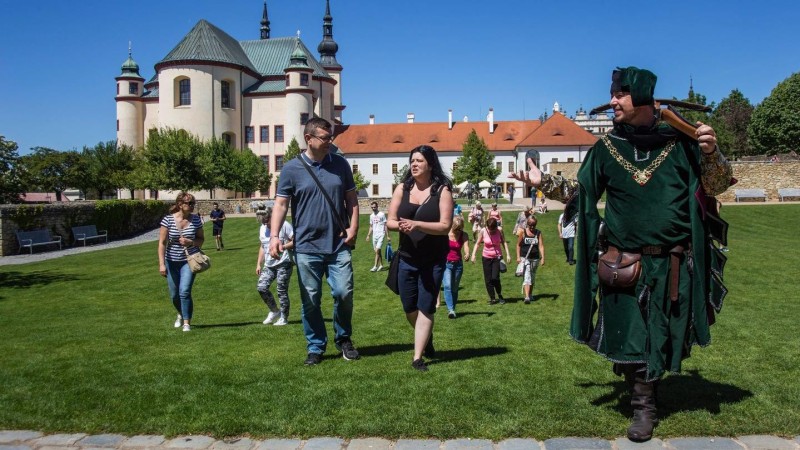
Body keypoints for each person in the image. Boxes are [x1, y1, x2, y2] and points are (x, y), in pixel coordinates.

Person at [510, 66, 732, 442]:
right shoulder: (606, 149)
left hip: (671, 263)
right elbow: (582, 193)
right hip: (623, 262)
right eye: (613, 94)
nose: (612, 101)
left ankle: (645, 391)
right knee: (631, 335)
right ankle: (643, 406)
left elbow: (717, 184)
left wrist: (712, 152)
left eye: (620, 95)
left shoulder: (682, 144)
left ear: (643, 98)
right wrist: (543, 182)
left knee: (659, 336)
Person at [270, 117, 360, 366]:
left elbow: (352, 200)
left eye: (330, 137)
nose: (330, 142)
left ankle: (343, 339)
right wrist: (275, 236)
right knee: (310, 300)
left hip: (338, 243)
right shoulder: (291, 169)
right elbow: (280, 204)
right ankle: (315, 346)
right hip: (307, 247)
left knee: (344, 293)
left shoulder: (340, 164)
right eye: (325, 138)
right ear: (308, 139)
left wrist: (354, 226)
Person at [387, 145, 454, 371]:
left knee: (426, 306)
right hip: (407, 258)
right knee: (409, 307)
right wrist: (402, 226)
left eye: (419, 161)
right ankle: (426, 337)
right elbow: (390, 221)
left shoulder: (442, 191)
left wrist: (417, 224)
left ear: (430, 164)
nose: (414, 164)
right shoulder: (402, 188)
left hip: (433, 259)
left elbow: (445, 226)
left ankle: (418, 357)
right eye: (412, 160)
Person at [157, 192, 205, 332]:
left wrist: (190, 242)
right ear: (179, 204)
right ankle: (181, 313)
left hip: (189, 261)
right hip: (171, 261)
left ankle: (186, 323)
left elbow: (201, 240)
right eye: (188, 203)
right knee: (174, 295)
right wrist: (161, 264)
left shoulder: (195, 220)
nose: (191, 206)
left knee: (184, 291)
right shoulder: (168, 220)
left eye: (192, 204)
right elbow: (162, 243)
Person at [256, 207, 294, 326]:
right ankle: (274, 311)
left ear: (272, 216)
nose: (265, 224)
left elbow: (296, 241)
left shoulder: (284, 225)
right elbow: (263, 246)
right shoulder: (262, 229)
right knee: (261, 287)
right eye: (263, 222)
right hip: (269, 264)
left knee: (281, 290)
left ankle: (284, 317)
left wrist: (282, 247)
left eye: (266, 221)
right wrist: (258, 264)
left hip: (284, 262)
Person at [470, 217, 510, 305]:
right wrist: (473, 255)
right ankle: (492, 298)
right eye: (490, 229)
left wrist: (508, 254)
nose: (491, 231)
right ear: (487, 226)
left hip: (497, 257)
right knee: (488, 279)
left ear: (496, 227)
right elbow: (477, 243)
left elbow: (504, 242)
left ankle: (499, 294)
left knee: (495, 278)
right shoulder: (483, 231)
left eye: (493, 229)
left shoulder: (499, 230)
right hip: (486, 257)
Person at [442, 215, 470, 319]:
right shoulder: (445, 234)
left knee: (454, 287)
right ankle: (451, 310)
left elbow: (466, 247)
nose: (459, 230)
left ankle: (452, 308)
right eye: (457, 228)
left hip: (458, 264)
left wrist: (467, 253)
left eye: (460, 228)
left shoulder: (464, 235)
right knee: (448, 286)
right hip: (446, 263)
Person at [516, 216, 545, 304]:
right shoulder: (523, 232)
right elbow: (518, 245)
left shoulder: (538, 233)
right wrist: (518, 257)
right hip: (525, 258)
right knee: (527, 276)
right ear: (527, 224)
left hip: (535, 258)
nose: (532, 227)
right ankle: (527, 297)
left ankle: (530, 294)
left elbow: (541, 246)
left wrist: (543, 257)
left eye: (534, 225)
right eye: (530, 225)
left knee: (532, 276)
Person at [366, 201, 389, 272]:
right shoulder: (371, 216)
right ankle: (381, 265)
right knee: (377, 252)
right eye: (372, 207)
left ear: (377, 206)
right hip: (374, 235)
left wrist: (387, 235)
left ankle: (375, 266)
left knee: (377, 250)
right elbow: (371, 226)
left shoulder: (382, 214)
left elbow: (385, 225)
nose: (373, 208)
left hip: (381, 234)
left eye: (374, 207)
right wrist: (368, 235)